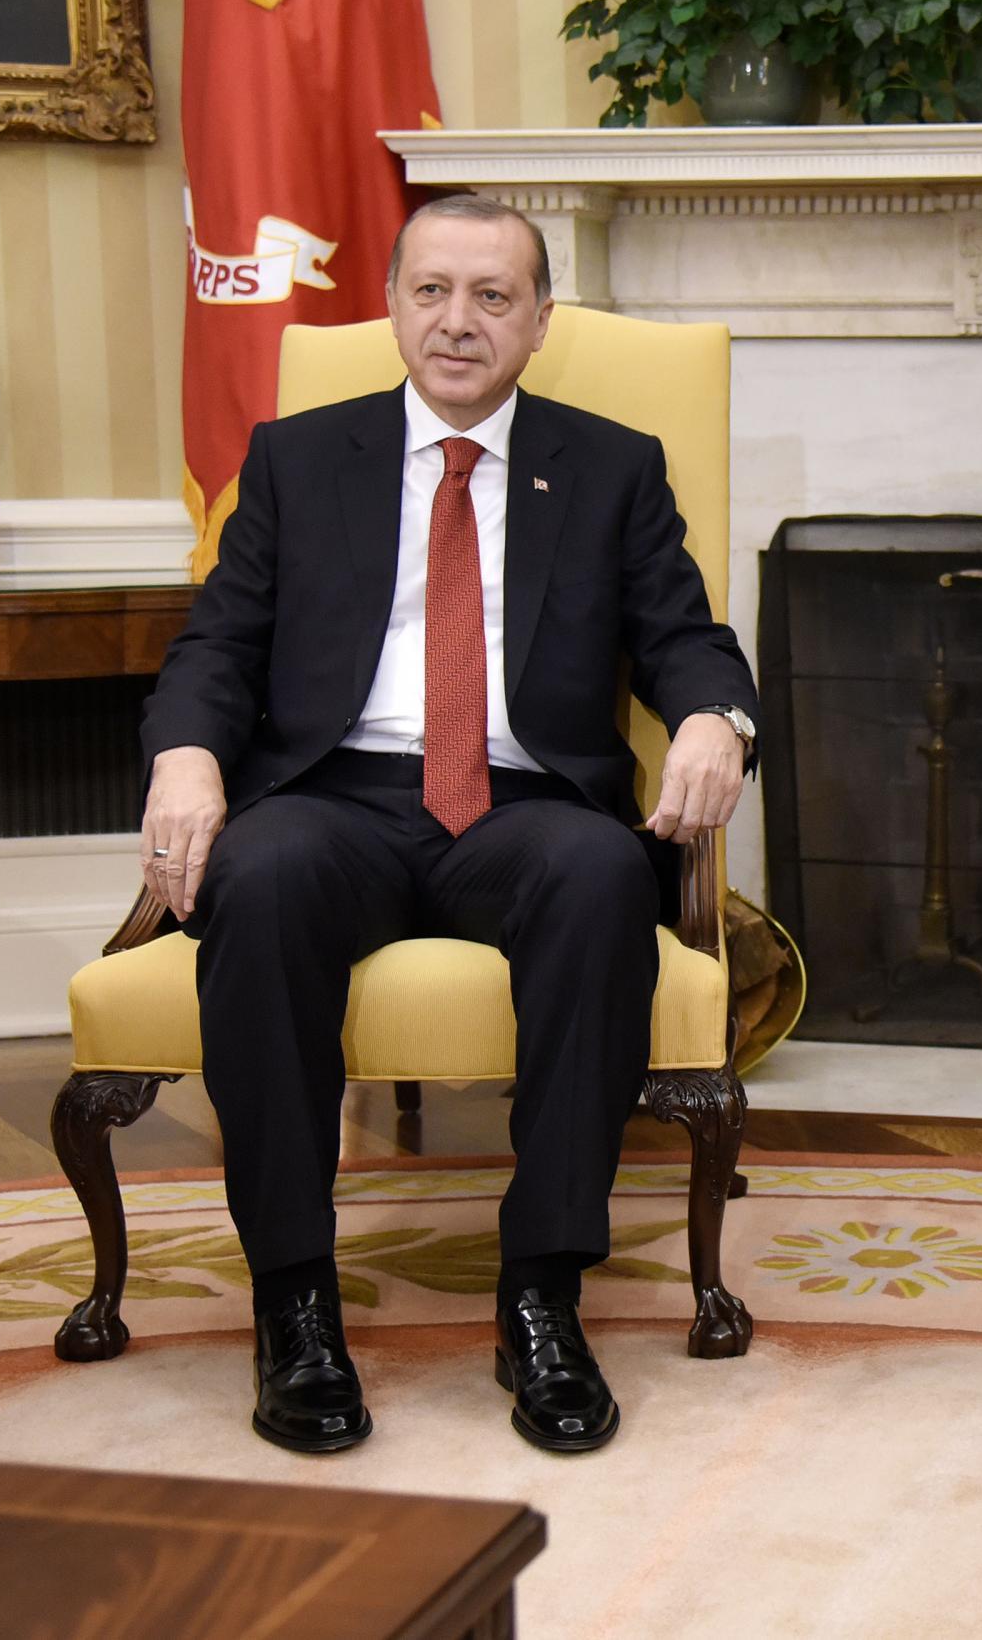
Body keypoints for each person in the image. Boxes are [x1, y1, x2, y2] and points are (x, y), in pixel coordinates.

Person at [139, 194, 758, 1456]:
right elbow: (218, 645)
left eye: (492, 297)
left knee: (599, 879)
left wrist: (716, 721)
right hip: (336, 798)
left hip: (524, 807)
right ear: (391, 306)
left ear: (539, 322)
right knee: (256, 879)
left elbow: (686, 642)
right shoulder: (299, 457)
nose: (457, 322)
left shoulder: (612, 465)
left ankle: (541, 1295)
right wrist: (190, 756)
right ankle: (296, 1305)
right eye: (432, 291)